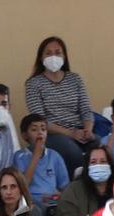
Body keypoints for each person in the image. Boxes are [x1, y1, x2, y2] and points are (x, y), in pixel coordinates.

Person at [24, 36, 95, 176]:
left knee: (97, 144)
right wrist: (71, 134)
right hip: (53, 134)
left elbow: (86, 109)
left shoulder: (75, 79)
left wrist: (87, 130)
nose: (53, 57)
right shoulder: (33, 84)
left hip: (78, 130)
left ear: (64, 56)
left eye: (57, 52)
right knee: (72, 151)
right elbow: (40, 120)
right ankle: (77, 186)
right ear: (41, 57)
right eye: (48, 53)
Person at [54, 143, 113, 216]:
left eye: (103, 162)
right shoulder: (73, 191)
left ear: (110, 166)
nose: (98, 165)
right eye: (93, 162)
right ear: (86, 167)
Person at [14, 114, 69, 205]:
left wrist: (59, 197)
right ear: (25, 135)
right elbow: (23, 185)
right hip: (31, 201)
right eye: (34, 130)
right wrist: (36, 155)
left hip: (51, 200)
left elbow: (65, 187)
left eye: (43, 129)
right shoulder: (20, 156)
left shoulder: (54, 156)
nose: (40, 133)